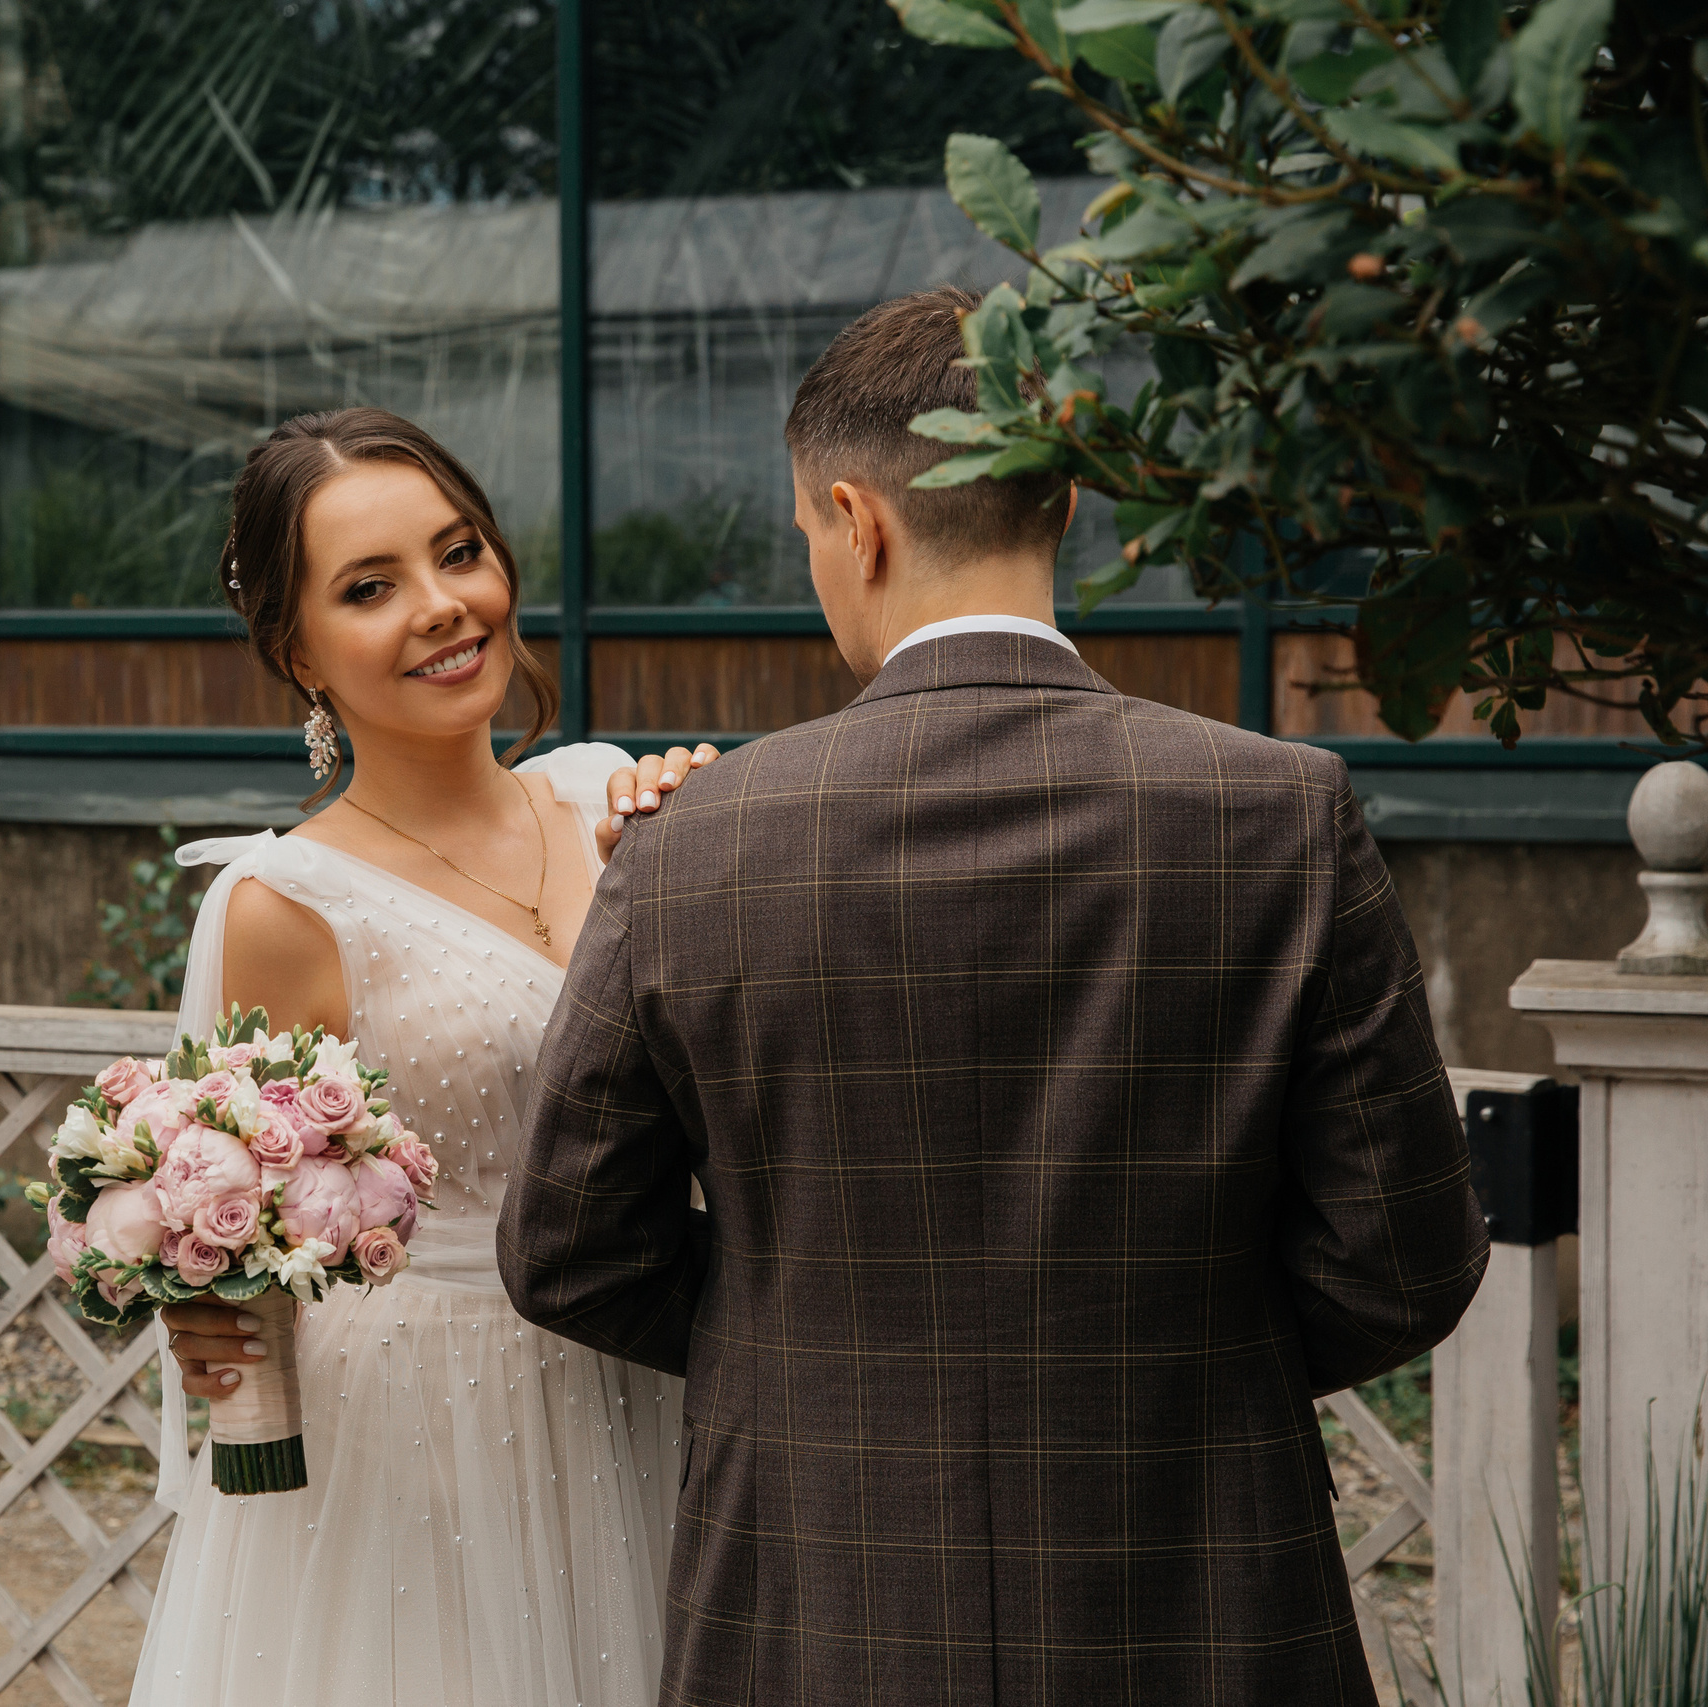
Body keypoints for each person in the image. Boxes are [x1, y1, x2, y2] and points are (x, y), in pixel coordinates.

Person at [498, 285, 1489, 1707]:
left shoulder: (692, 847)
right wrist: (1177, 1360)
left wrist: (805, 1351)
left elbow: (569, 1252)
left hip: (815, 1603)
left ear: (857, 520)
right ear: (1068, 502)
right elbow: (1405, 1260)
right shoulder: (1281, 812)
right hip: (1201, 1590)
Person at [130, 406, 717, 1706]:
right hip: (425, 1431)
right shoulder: (286, 904)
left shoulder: (611, 797)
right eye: (370, 587)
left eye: (459, 554)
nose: (444, 607)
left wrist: (705, 858)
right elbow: (232, 1228)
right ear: (298, 652)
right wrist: (205, 1310)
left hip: (643, 1369)